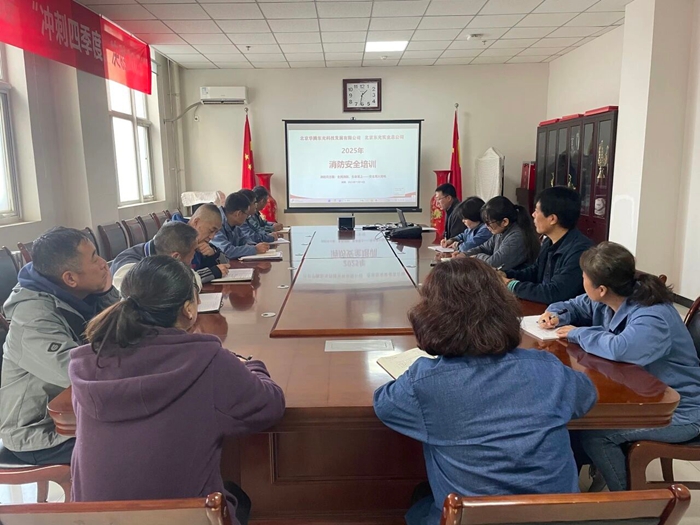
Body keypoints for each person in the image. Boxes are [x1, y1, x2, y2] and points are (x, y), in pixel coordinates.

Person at [373, 258, 597, 525]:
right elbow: (587, 396)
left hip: (470, 517)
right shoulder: (548, 368)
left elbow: (384, 404)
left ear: (430, 318)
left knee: (418, 499)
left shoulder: (425, 383)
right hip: (557, 519)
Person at [70, 256, 286, 525]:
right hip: (184, 517)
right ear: (189, 310)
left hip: (94, 519)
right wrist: (254, 366)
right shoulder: (207, 360)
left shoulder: (88, 362)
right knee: (240, 498)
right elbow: (269, 406)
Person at [539, 242, 700, 491]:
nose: (582, 281)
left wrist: (577, 332)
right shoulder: (614, 296)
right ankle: (592, 472)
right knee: (577, 418)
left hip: (678, 411)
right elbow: (576, 304)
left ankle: (628, 502)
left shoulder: (653, 315)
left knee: (596, 435)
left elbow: (621, 348)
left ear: (602, 288)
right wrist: (556, 314)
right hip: (642, 396)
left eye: (584, 277)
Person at [0, 227, 118, 465]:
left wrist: (107, 295)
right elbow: (79, 374)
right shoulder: (33, 318)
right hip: (40, 432)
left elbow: (122, 333)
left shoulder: (79, 295)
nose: (103, 263)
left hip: (76, 412)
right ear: (70, 279)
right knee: (136, 440)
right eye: (94, 257)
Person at [502, 186, 593, 304]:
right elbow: (535, 272)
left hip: (565, 313)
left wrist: (511, 284)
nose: (533, 215)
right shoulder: (548, 241)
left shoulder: (581, 251)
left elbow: (555, 293)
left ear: (552, 219)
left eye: (537, 210)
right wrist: (506, 274)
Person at [457, 196, 539, 271]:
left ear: (504, 222)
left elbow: (494, 264)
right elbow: (484, 248)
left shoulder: (517, 236)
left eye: (488, 223)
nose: (486, 226)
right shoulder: (500, 232)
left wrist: (476, 257)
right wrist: (464, 254)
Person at [111, 221, 198, 291]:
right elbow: (152, 295)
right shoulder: (126, 268)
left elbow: (194, 277)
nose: (194, 256)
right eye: (193, 252)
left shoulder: (161, 252)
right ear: (176, 257)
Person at [171, 203, 230, 283]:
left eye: (216, 232)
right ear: (196, 222)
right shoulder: (173, 238)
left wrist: (213, 254)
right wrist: (212, 272)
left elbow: (226, 264)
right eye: (211, 231)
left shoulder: (198, 240)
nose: (212, 237)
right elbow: (177, 280)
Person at [212, 192, 270, 260]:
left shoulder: (234, 223)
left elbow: (243, 239)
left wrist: (253, 245)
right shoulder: (216, 223)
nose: (247, 218)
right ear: (238, 213)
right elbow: (226, 251)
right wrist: (255, 249)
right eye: (247, 215)